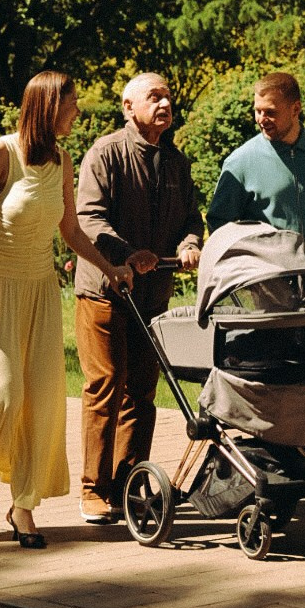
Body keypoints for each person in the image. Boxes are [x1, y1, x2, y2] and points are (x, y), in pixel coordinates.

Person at [0, 71, 133, 549]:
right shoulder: (2, 153)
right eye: (72, 104)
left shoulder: (62, 159)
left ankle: (24, 507)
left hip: (39, 290)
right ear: (48, 106)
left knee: (39, 404)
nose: (77, 112)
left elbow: (72, 233)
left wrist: (111, 268)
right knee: (4, 394)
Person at [73, 72, 204, 524]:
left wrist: (188, 244)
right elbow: (88, 219)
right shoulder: (105, 153)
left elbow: (191, 216)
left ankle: (128, 482)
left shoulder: (176, 163)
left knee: (142, 394)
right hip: (105, 290)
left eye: (168, 95)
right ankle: (93, 489)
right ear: (128, 107)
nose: (165, 102)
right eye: (154, 96)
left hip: (152, 297)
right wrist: (126, 255)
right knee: (105, 386)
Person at [207, 71, 305, 314]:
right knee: (272, 353)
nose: (261, 119)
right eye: (257, 110)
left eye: (270, 112)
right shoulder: (240, 162)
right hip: (267, 289)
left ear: (295, 108)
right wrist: (249, 276)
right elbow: (220, 226)